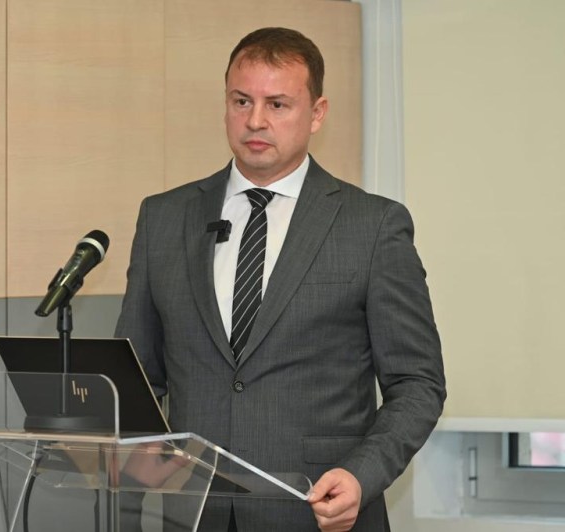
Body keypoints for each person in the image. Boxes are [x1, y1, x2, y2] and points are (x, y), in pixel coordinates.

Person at [115, 27, 445, 531]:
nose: (255, 120)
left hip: (317, 512)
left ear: (317, 113)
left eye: (277, 104)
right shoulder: (163, 218)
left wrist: (361, 476)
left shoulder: (373, 225)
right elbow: (137, 377)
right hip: (195, 515)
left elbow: (417, 383)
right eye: (241, 101)